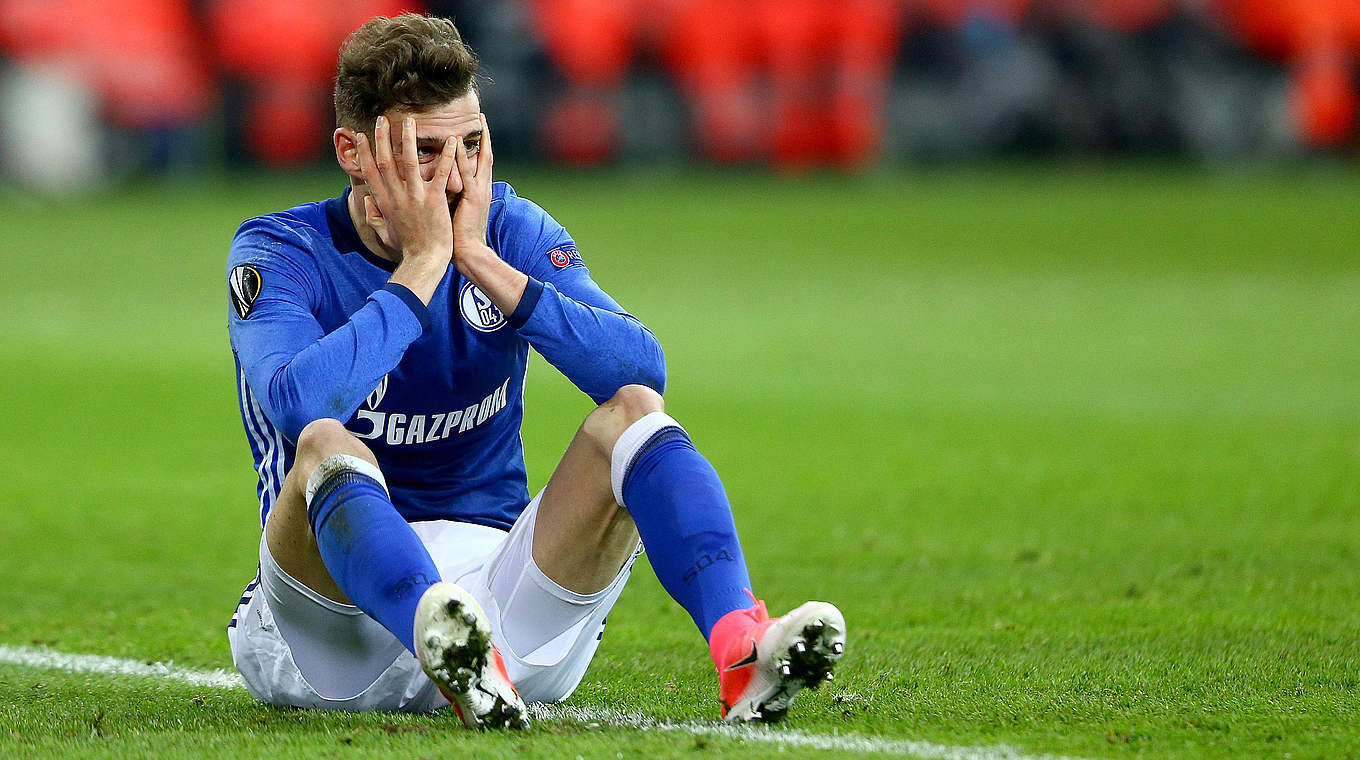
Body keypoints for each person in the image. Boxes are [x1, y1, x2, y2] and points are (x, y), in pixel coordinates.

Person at [225, 12, 844, 728]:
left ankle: (743, 648)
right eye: (423, 151)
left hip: (502, 608)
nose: (455, 175)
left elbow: (641, 364)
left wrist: (483, 265)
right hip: (331, 632)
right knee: (327, 446)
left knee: (635, 411)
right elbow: (298, 403)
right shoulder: (280, 251)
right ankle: (439, 634)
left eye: (472, 144)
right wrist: (422, 268)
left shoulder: (509, 229)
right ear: (352, 152)